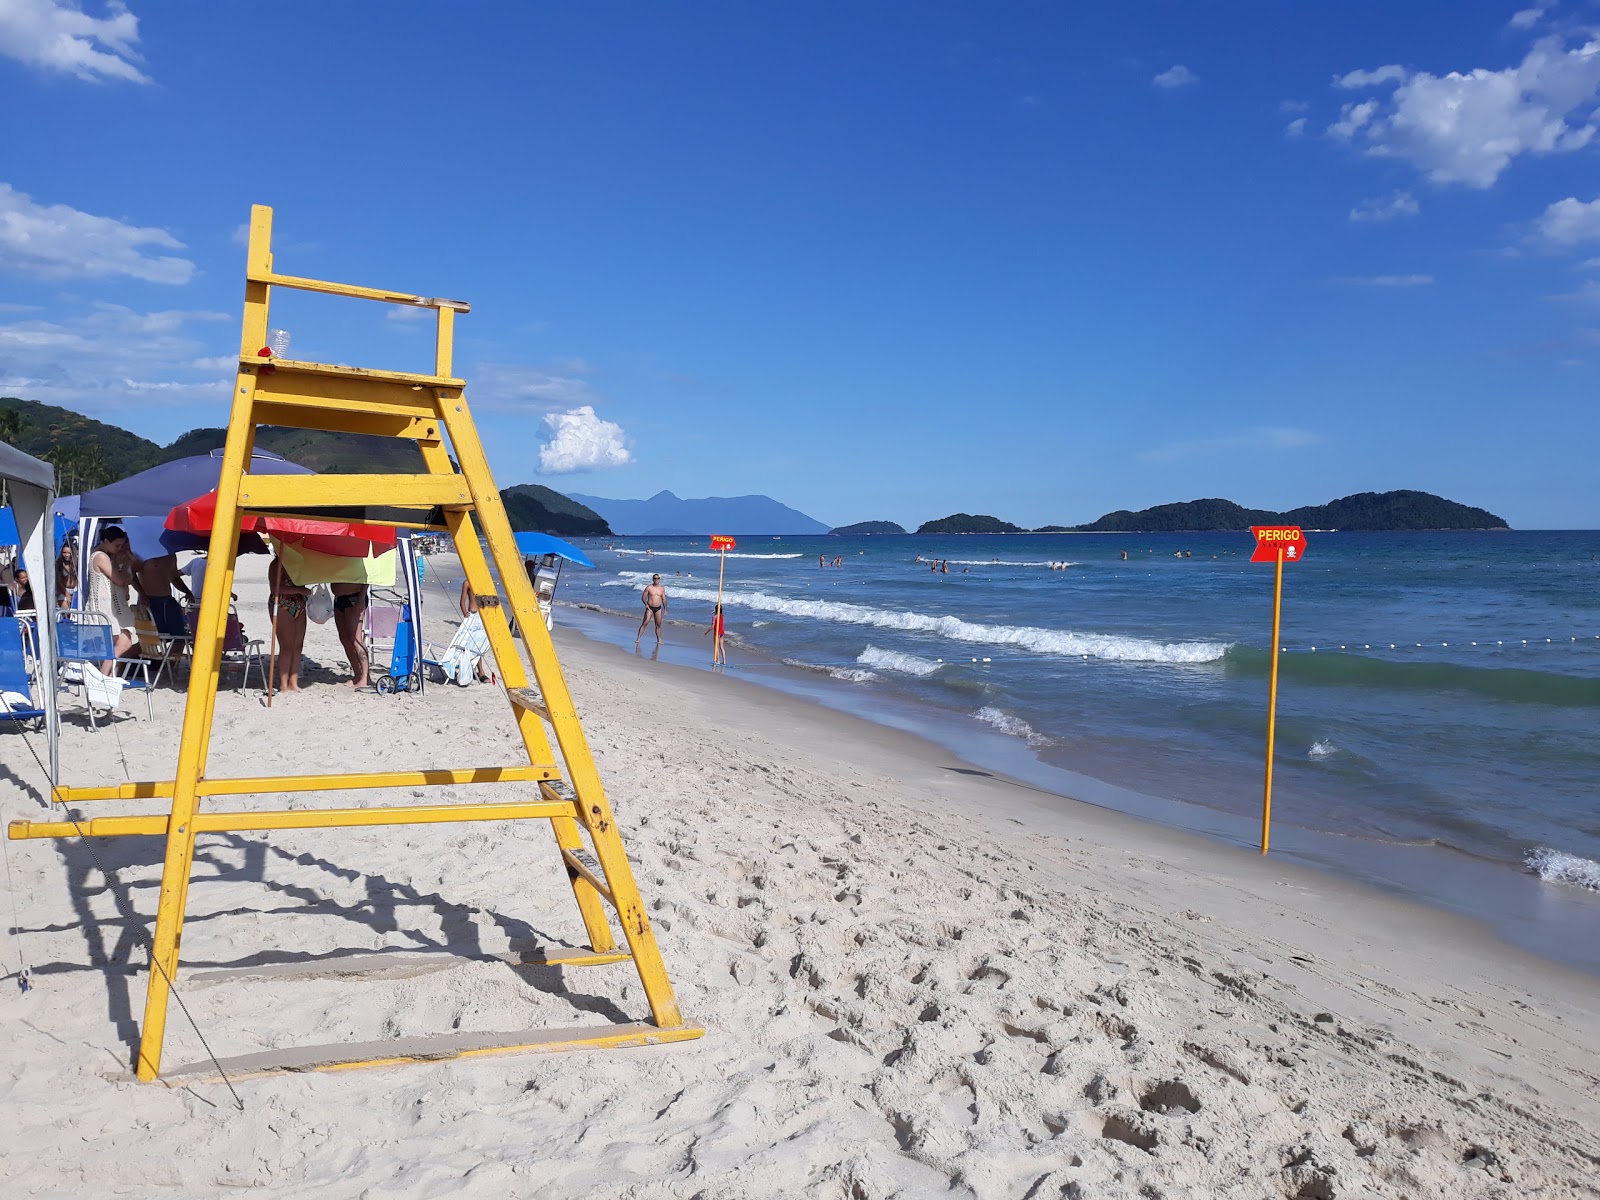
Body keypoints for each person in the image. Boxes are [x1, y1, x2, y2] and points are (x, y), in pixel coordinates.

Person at [88, 525, 138, 672]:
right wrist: (128, 564)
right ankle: (104, 675)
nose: (119, 548)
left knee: (121, 642)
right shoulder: (100, 557)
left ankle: (107, 675)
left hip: (112, 605)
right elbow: (121, 580)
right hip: (107, 606)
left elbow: (123, 579)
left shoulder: (105, 556)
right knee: (124, 642)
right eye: (117, 545)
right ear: (105, 541)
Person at [267, 556, 310, 694]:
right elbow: (275, 589)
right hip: (282, 604)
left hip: (299, 604)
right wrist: (300, 590)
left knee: (298, 645)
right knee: (286, 646)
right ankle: (284, 684)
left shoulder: (298, 563)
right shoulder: (277, 564)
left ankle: (294, 682)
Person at [135, 553, 193, 637]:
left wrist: (187, 591)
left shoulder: (171, 555)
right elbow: (132, 574)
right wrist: (141, 593)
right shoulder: (144, 553)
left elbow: (174, 577)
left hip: (168, 600)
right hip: (150, 601)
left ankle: (172, 651)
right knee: (151, 638)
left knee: (180, 637)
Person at [331, 582, 369, 688]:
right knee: (344, 638)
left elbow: (368, 575)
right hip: (339, 598)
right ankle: (358, 674)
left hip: (355, 596)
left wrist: (361, 597)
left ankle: (365, 677)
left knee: (356, 640)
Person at [637, 573, 666, 644]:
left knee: (658, 624)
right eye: (655, 578)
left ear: (659, 580)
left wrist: (665, 609)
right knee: (645, 622)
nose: (656, 580)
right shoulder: (649, 587)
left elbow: (664, 599)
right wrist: (646, 604)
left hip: (658, 608)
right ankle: (638, 638)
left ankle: (659, 640)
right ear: (653, 579)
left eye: (658, 578)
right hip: (650, 608)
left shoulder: (662, 588)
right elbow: (643, 597)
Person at [704, 602, 726, 666]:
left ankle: (718, 660)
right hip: (722, 632)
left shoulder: (714, 617)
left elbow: (712, 627)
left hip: (717, 633)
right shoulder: (722, 616)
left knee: (716, 647)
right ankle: (724, 661)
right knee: (721, 646)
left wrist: (706, 632)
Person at [55, 542, 77, 608]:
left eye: (69, 553)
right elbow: (59, 582)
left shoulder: (76, 564)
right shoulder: (59, 564)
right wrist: (67, 594)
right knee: (67, 612)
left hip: (75, 590)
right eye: (64, 553)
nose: (66, 555)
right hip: (63, 591)